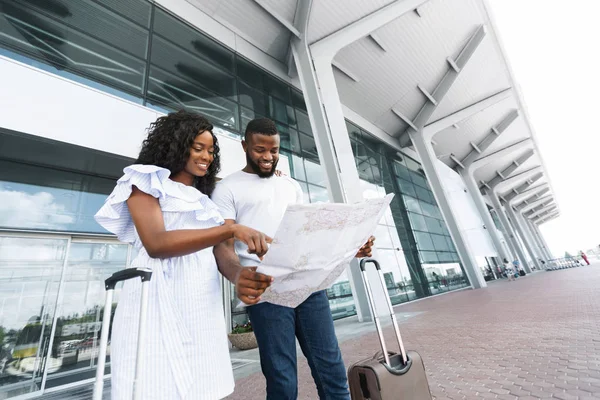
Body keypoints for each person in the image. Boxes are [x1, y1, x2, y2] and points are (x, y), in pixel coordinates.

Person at [94, 111, 273, 400]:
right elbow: (157, 243)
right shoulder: (145, 182)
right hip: (155, 297)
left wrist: (240, 275)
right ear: (175, 145)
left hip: (200, 303)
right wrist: (230, 230)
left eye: (211, 150)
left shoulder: (206, 200)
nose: (206, 156)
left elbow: (221, 252)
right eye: (198, 147)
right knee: (155, 383)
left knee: (202, 386)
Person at [212, 118, 374, 400]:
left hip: (308, 287)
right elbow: (223, 245)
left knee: (333, 372)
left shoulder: (291, 186)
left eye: (274, 150)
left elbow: (309, 235)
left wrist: (352, 244)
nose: (267, 157)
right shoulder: (227, 188)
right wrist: (238, 275)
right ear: (244, 146)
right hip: (266, 291)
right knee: (282, 380)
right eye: (259, 149)